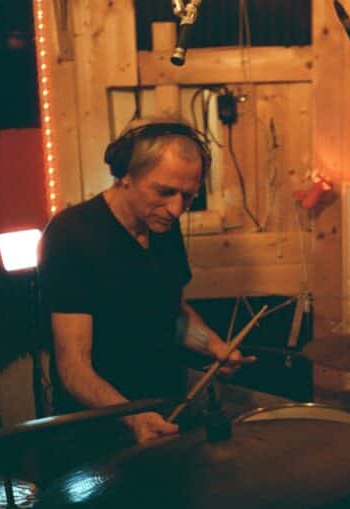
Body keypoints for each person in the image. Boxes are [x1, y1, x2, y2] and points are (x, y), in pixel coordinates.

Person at [38, 116, 255, 445]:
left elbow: (171, 312)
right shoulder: (71, 234)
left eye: (187, 196)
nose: (176, 209)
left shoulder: (162, 226)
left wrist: (214, 346)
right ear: (126, 174)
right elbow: (74, 367)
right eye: (164, 192)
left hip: (168, 407)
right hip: (100, 428)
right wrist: (133, 417)